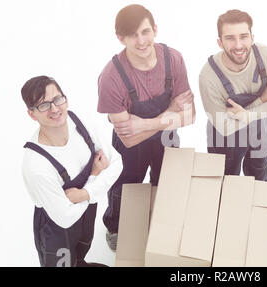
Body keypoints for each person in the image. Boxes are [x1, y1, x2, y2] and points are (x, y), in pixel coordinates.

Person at [97, 4, 195, 251]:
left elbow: (190, 115)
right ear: (121, 38)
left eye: (145, 32)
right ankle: (116, 226)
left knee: (166, 181)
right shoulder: (111, 77)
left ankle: (158, 220)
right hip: (132, 148)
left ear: (155, 30)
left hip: (167, 139)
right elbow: (129, 139)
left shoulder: (173, 59)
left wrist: (146, 123)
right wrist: (170, 114)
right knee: (125, 184)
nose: (141, 41)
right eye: (132, 35)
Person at [21, 76, 123, 267]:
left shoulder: (80, 123)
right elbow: (65, 218)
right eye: (43, 105)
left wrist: (83, 194)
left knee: (81, 251)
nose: (54, 109)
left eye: (57, 99)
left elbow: (117, 163)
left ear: (65, 99)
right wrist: (94, 178)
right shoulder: (36, 165)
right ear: (32, 114)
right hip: (56, 229)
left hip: (84, 214)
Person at [199, 9, 267, 182]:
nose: (238, 45)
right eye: (230, 38)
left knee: (260, 177)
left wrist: (247, 114)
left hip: (258, 128)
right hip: (224, 138)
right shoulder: (208, 76)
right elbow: (224, 126)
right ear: (220, 42)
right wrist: (262, 100)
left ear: (252, 38)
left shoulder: (265, 55)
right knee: (225, 183)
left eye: (243, 36)